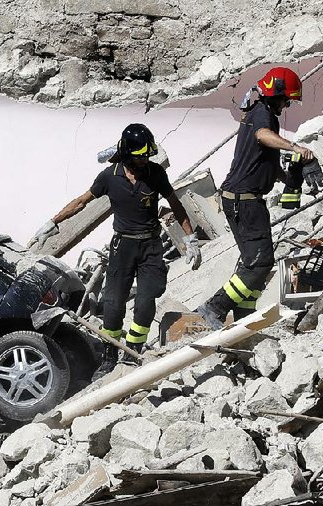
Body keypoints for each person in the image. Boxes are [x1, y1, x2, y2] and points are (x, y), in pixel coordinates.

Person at [29, 124, 200, 375]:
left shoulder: (155, 174)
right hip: (123, 247)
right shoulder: (109, 176)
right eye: (139, 157)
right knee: (113, 304)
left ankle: (133, 349)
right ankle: (110, 354)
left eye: (147, 156)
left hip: (150, 246)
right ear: (128, 154)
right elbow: (81, 201)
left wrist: (190, 238)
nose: (144, 161)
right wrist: (54, 222)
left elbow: (175, 203)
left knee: (145, 302)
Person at [195, 67, 323, 328]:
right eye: (286, 99)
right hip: (244, 200)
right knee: (261, 262)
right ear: (275, 95)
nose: (287, 104)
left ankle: (246, 318)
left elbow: (262, 157)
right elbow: (262, 137)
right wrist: (296, 147)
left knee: (253, 264)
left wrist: (286, 177)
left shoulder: (260, 114)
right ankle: (215, 307)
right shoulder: (262, 115)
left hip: (241, 198)